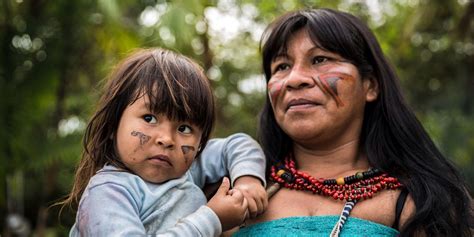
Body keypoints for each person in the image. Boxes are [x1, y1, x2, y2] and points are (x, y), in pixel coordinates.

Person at [233, 8, 473, 237]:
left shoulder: (423, 202)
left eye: (320, 59)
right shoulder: (234, 191)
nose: (294, 79)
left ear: (370, 85)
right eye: (282, 66)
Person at [59, 48, 267, 236]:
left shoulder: (187, 169)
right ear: (114, 124)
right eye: (149, 118)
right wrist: (212, 218)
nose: (167, 139)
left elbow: (238, 145)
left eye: (184, 128)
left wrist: (247, 180)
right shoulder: (107, 193)